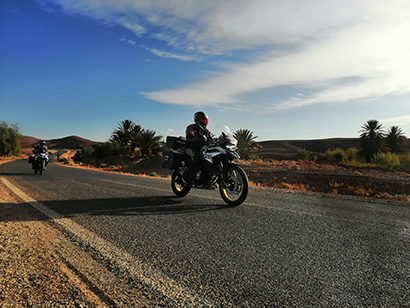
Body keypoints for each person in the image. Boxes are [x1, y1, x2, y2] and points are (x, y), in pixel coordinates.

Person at [184, 111, 212, 186]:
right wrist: (195, 137)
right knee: (197, 157)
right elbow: (189, 134)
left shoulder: (207, 131)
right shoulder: (191, 127)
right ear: (196, 119)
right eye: (200, 119)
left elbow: (211, 139)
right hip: (190, 148)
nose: (202, 121)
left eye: (203, 119)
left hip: (202, 149)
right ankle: (189, 180)